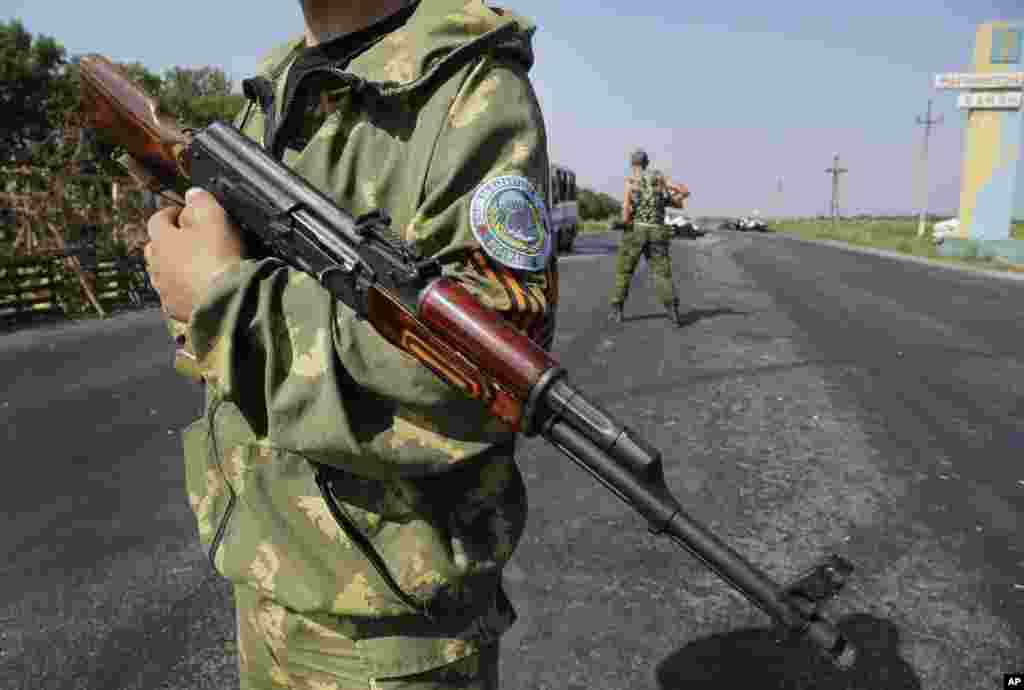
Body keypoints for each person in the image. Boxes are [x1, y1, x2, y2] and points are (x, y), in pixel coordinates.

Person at [143, 1, 558, 688]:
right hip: (266, 580)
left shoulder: (470, 89)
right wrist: (191, 279)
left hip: (390, 636)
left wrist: (219, 301)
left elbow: (480, 377)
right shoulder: (274, 85)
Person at [607, 148, 688, 327]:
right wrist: (669, 197)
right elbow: (683, 191)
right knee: (662, 273)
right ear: (647, 162)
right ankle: (672, 311)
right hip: (658, 232)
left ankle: (617, 309)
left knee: (625, 271)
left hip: (636, 232)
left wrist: (624, 222)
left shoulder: (631, 183)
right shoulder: (660, 179)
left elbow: (626, 216)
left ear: (632, 163)